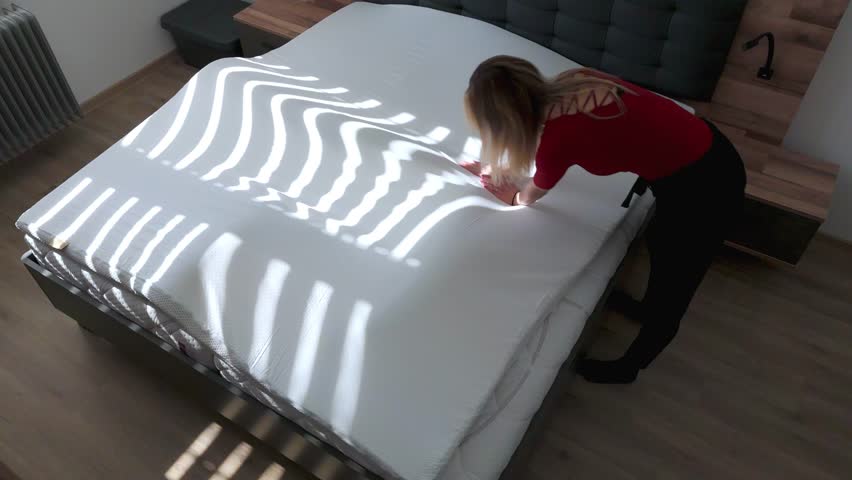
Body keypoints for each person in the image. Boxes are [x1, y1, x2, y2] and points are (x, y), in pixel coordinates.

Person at [462, 55, 746, 384]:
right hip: (709, 150)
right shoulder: (577, 78)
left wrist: (508, 194)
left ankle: (631, 366)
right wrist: (497, 168)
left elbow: (531, 195)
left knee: (676, 278)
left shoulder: (557, 139)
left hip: (704, 187)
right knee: (661, 244)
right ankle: (646, 309)